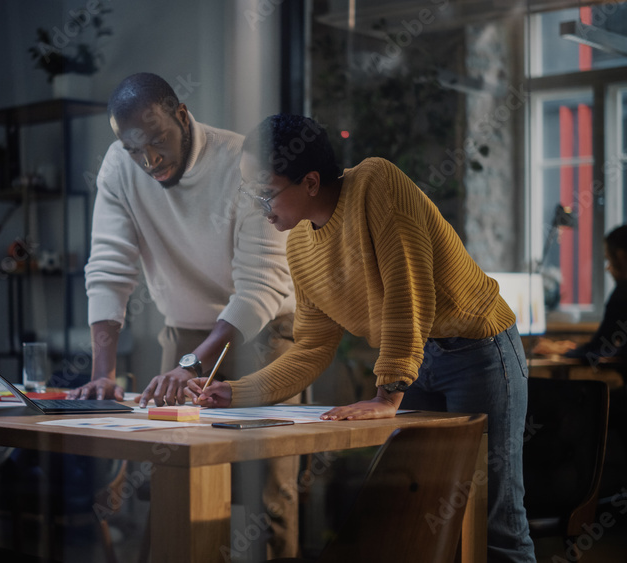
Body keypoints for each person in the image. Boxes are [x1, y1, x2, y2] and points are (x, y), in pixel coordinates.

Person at [191, 114, 537, 563]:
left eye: (265, 191)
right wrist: (234, 393)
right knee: (431, 516)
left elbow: (408, 289)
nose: (258, 205)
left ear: (310, 181)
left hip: (479, 348)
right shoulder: (299, 246)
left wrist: (388, 393)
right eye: (249, 191)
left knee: (496, 519)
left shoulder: (376, 182)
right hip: (421, 360)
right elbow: (312, 349)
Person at [68, 73, 299, 558]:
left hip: (264, 332)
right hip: (185, 332)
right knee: (171, 479)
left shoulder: (243, 163)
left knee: (265, 490)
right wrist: (102, 373)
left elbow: (260, 285)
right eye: (135, 150)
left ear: (181, 115)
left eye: (158, 142)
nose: (149, 161)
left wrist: (193, 363)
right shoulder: (119, 168)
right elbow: (109, 267)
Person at [532, 224, 627, 368]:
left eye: (609, 260)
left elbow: (598, 348)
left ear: (621, 257)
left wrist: (559, 351)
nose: (607, 268)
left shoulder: (625, 293)